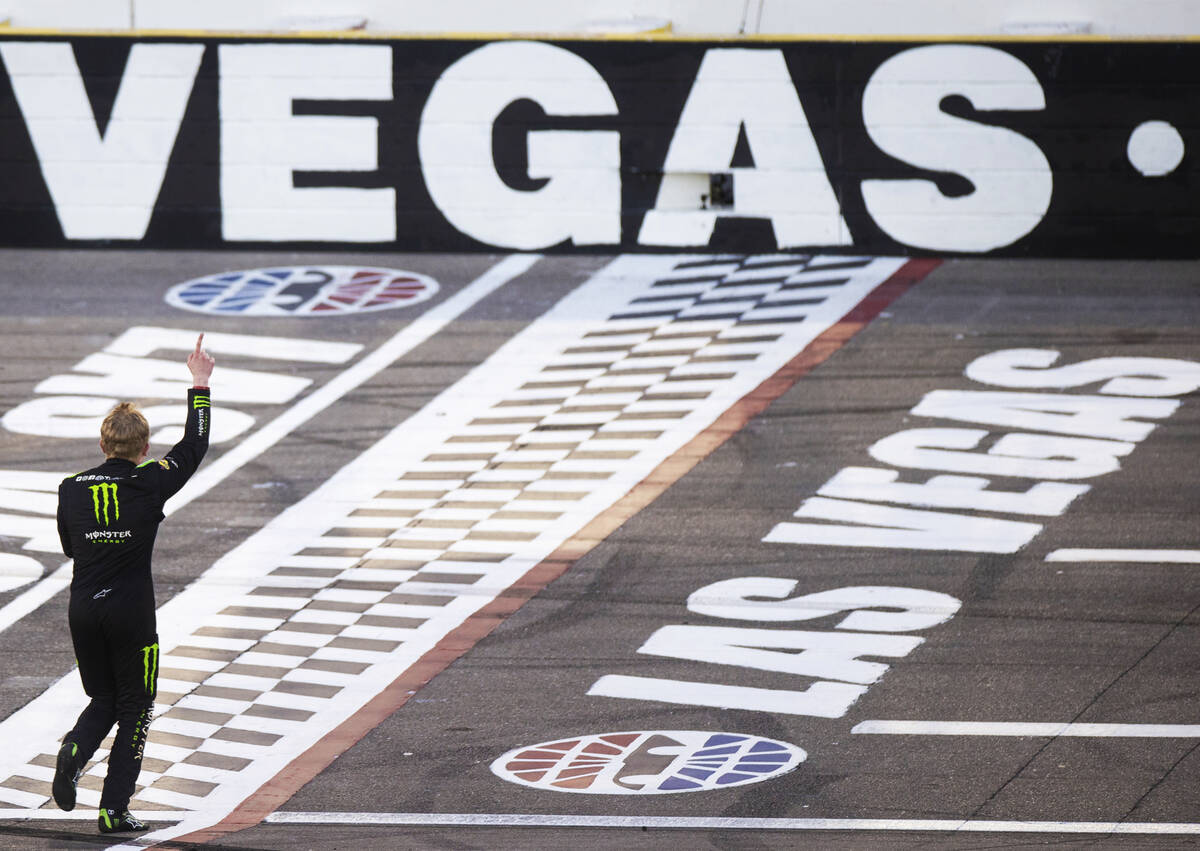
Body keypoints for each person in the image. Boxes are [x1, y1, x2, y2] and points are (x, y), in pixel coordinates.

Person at [52, 334, 214, 834]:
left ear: (102, 445)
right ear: (143, 449)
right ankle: (113, 810)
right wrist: (200, 382)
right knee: (136, 709)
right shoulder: (150, 480)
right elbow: (194, 446)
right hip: (131, 614)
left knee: (103, 699)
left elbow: (68, 548)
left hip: (83, 610)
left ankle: (74, 752)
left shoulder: (70, 489)